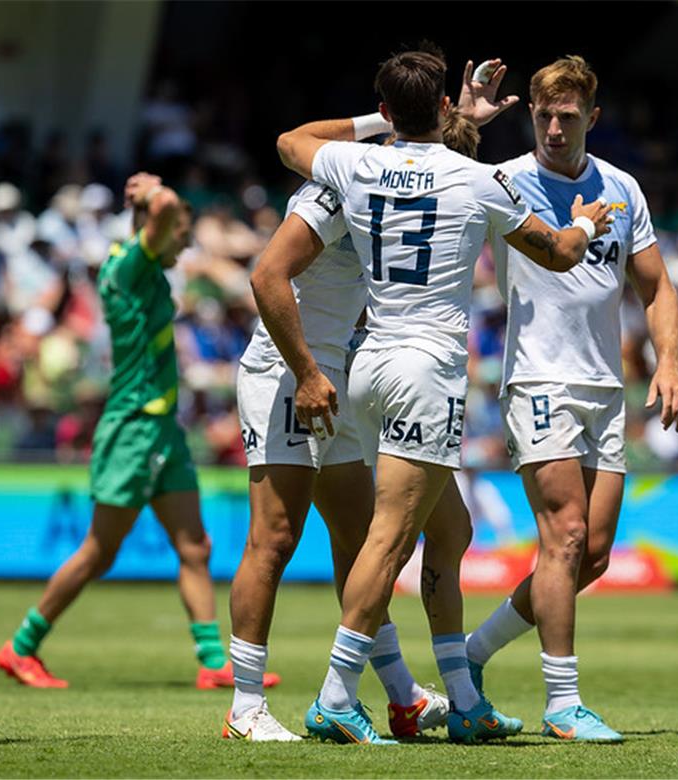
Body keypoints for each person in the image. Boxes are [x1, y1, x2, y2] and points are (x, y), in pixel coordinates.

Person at [274, 43, 613, 744]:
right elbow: (558, 251)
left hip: (366, 365)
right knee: (390, 539)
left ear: (388, 109)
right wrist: (586, 222)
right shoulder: (480, 179)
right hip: (427, 372)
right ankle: (336, 695)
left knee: (449, 531)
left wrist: (382, 123)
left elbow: (290, 142)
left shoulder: (357, 161)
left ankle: (462, 696)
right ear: (445, 108)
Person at [223, 108, 486, 742]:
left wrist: (460, 113)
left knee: (361, 540)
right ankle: (245, 708)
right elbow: (266, 275)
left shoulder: (388, 179)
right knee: (274, 538)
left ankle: (402, 696)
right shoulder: (343, 185)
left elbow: (429, 139)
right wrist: (309, 373)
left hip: (334, 372)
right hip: (290, 373)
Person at [455, 55, 678, 743]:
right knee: (563, 534)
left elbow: (658, 287)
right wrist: (462, 121)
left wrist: (669, 363)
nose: (555, 127)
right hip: (537, 379)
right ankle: (563, 702)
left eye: (567, 115)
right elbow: (434, 171)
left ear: (593, 116)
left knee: (590, 555)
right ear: (530, 114)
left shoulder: (622, 189)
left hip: (604, 389)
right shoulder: (505, 183)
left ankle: (471, 654)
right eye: (543, 114)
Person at [0, 172, 277, 692]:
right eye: (180, 232)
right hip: (133, 429)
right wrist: (150, 192)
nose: (186, 242)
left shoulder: (139, 265)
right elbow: (165, 204)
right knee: (99, 551)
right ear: (156, 228)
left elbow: (164, 212)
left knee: (194, 546)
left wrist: (151, 203)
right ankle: (21, 647)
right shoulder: (130, 264)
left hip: (161, 431)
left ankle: (214, 661)